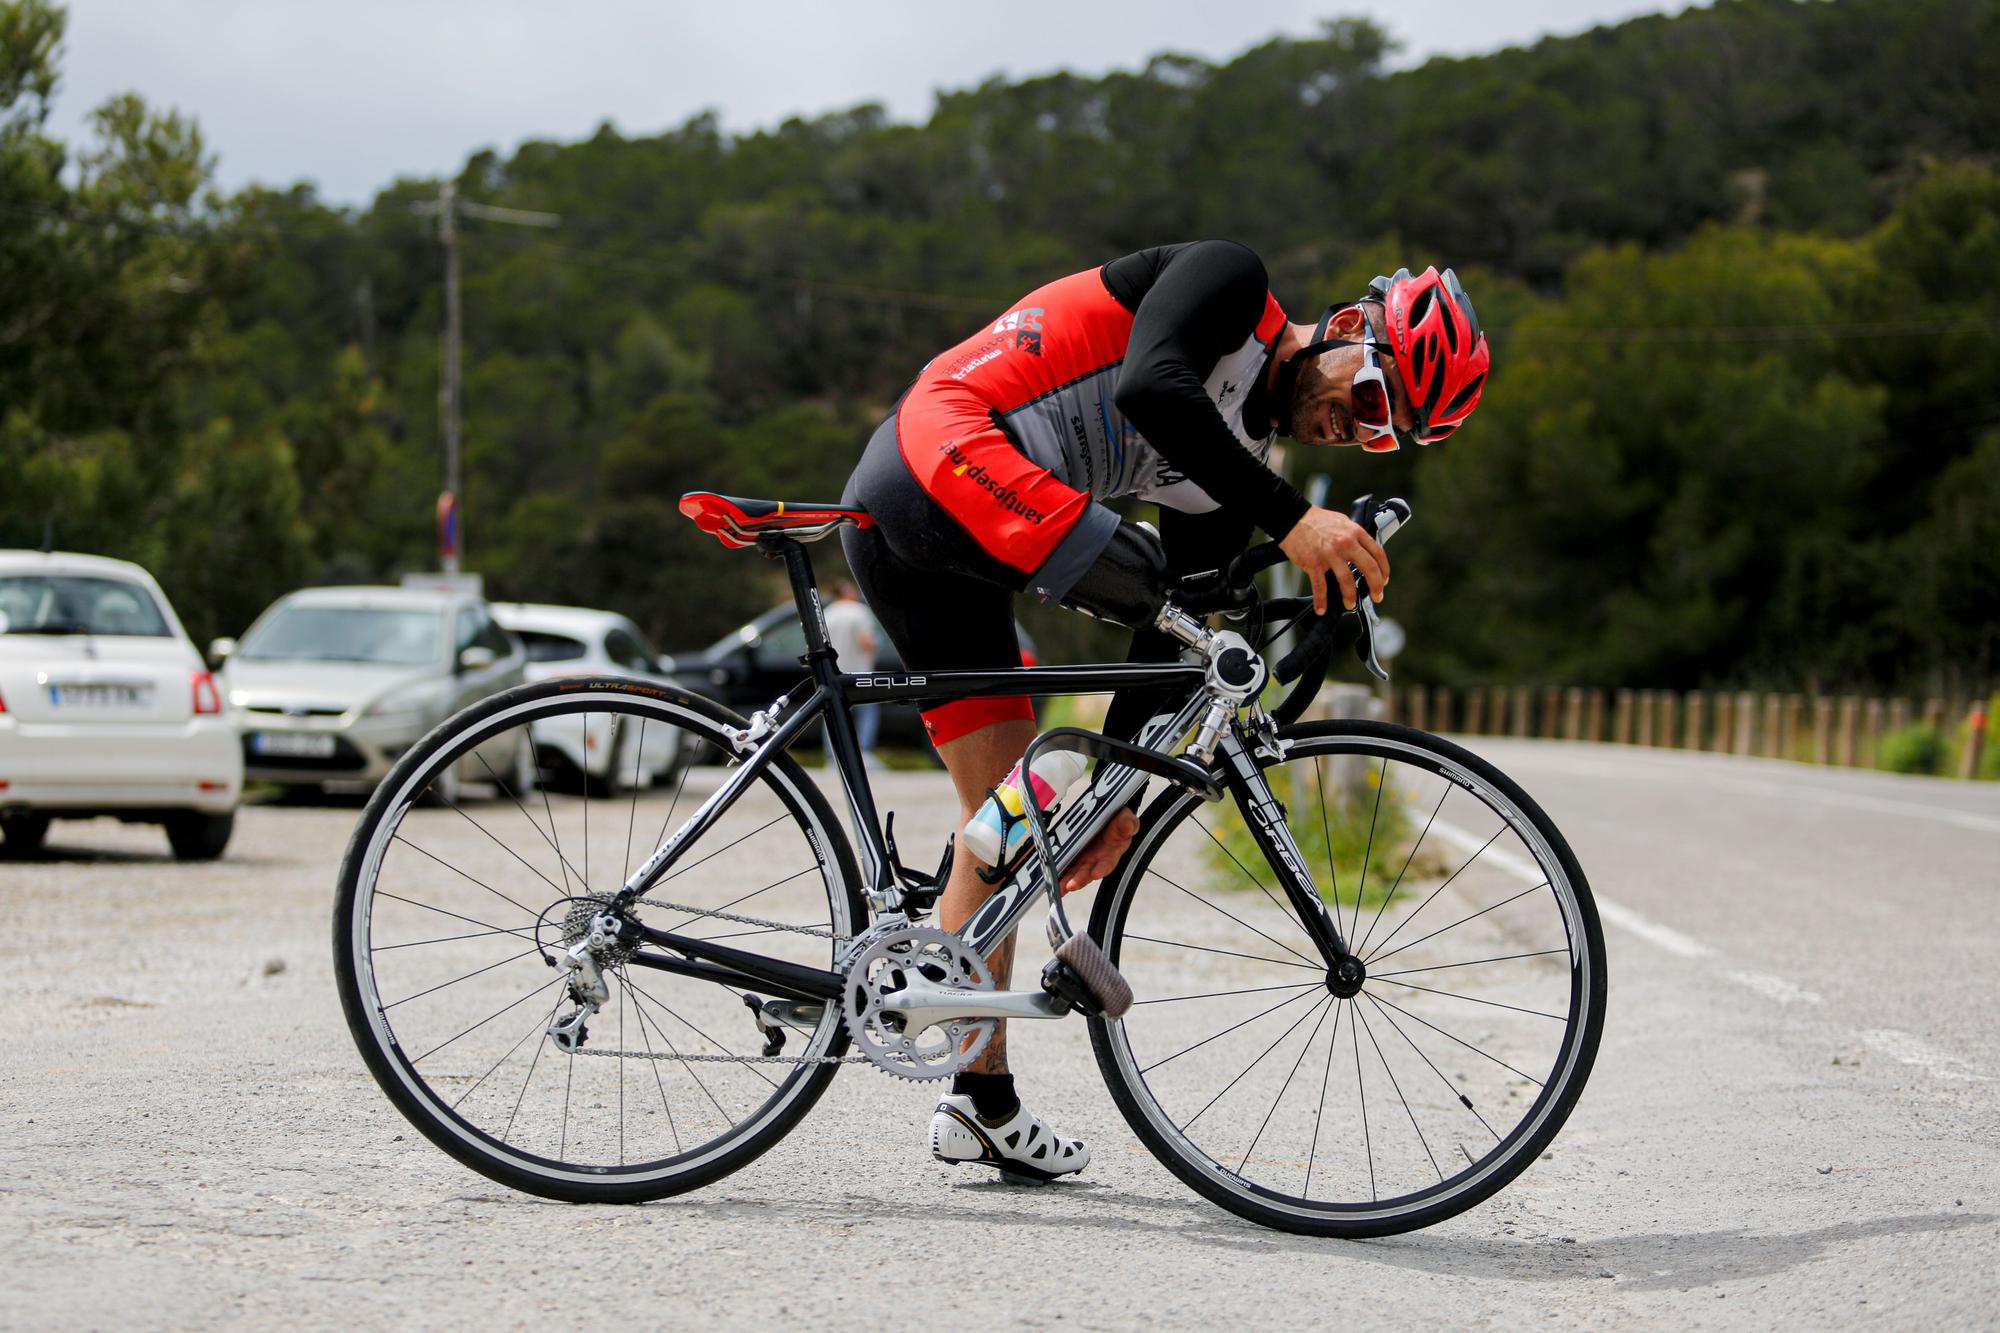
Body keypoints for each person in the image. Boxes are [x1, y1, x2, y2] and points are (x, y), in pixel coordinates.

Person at [840, 242, 1490, 1181]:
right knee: (1137, 579)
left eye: (1386, 437)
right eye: (1375, 398)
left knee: (1018, 823)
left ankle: (976, 1096)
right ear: (1350, 328)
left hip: (945, 524)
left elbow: (1167, 649)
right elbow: (1153, 387)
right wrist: (1292, 520)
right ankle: (1021, 828)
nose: (1358, 428)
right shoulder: (1233, 284)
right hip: (946, 448)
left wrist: (1122, 798)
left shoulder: (1233, 473)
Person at [821, 580, 882, 766]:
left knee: (833, 712)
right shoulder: (858, 611)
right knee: (867, 712)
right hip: (859, 672)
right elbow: (866, 641)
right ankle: (864, 751)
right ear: (845, 592)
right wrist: (874, 654)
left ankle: (833, 755)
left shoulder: (827, 613)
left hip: (833, 672)